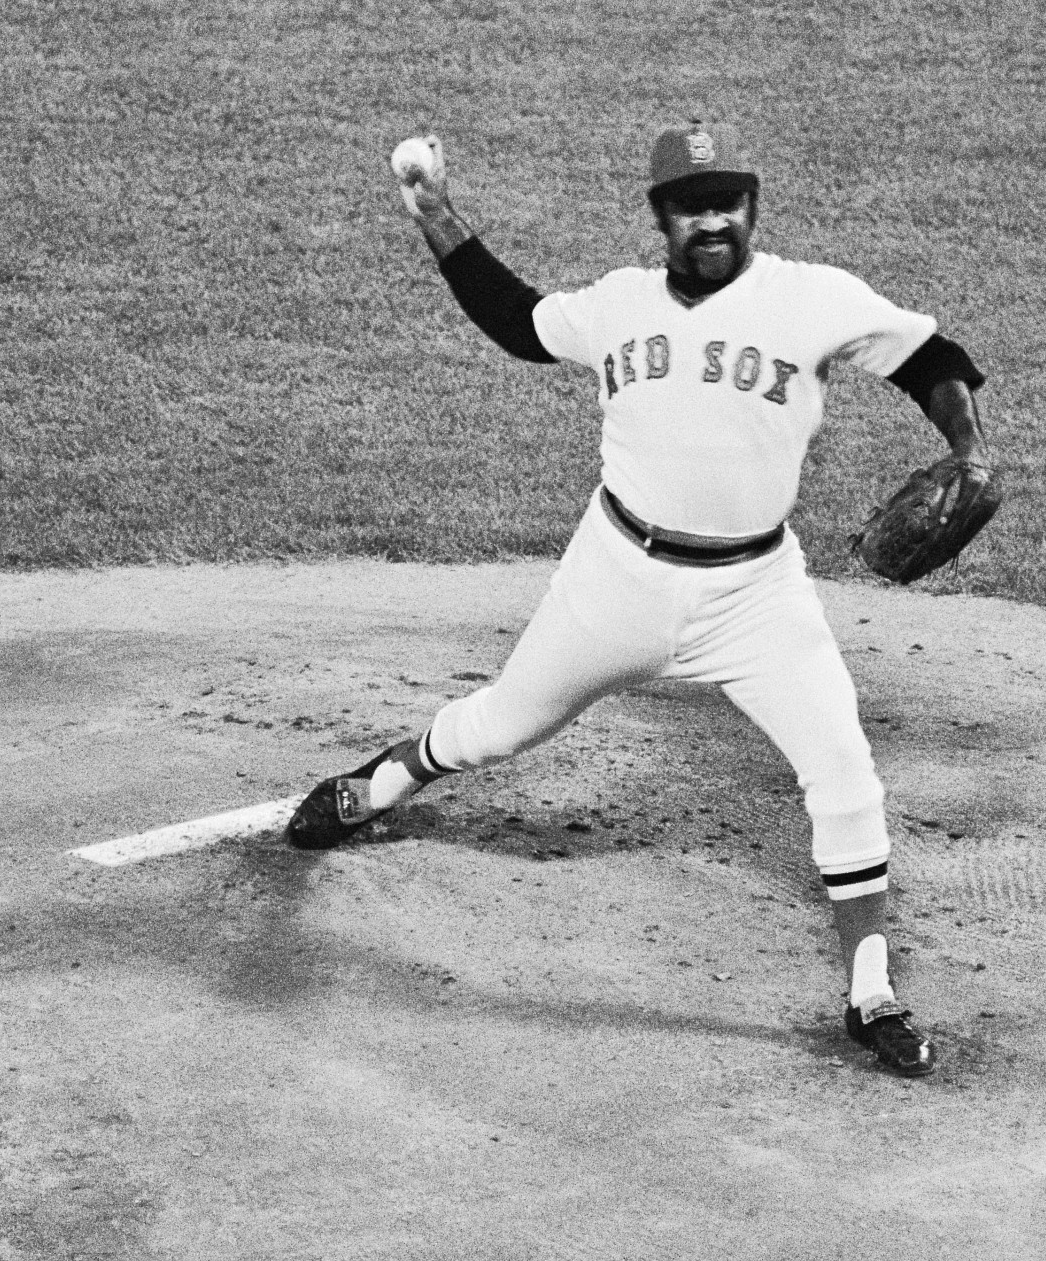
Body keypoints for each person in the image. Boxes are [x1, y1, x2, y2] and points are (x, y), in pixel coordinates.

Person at [286, 121, 996, 1077]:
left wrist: (971, 450)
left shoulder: (813, 298)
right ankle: (380, 785)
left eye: (727, 201)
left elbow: (931, 358)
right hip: (615, 576)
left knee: (845, 771)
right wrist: (437, 217)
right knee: (498, 726)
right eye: (691, 205)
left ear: (752, 207)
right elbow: (517, 321)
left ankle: (871, 993)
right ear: (662, 216)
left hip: (757, 593)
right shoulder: (618, 305)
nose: (713, 219)